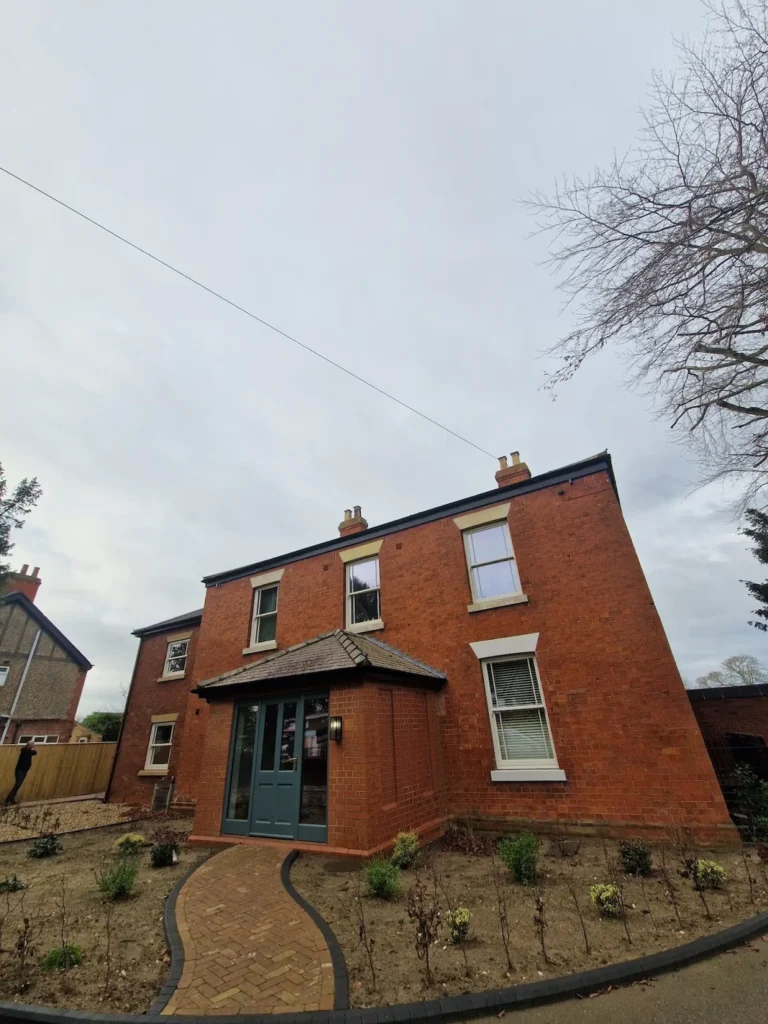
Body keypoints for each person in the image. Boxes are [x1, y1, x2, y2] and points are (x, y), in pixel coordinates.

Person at [4, 740, 36, 804]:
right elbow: (34, 752)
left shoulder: (27, 751)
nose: (33, 746)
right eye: (32, 745)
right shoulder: (25, 750)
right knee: (17, 785)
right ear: (30, 745)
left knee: (18, 785)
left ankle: (11, 799)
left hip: (24, 770)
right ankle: (8, 799)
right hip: (20, 771)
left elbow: (34, 752)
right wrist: (32, 749)